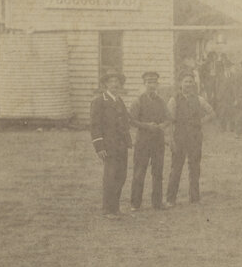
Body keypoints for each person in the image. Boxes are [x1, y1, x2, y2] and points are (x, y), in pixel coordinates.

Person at [166, 71, 216, 206]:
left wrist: (201, 122)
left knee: (194, 167)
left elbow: (212, 113)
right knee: (176, 168)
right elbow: (169, 121)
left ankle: (194, 198)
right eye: (185, 81)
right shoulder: (174, 100)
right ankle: (170, 199)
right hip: (179, 138)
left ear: (194, 84)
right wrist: (170, 139)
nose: (188, 84)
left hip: (195, 138)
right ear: (180, 84)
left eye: (190, 82)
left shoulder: (199, 99)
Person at [90, 69, 132, 216]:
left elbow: (126, 121)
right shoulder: (99, 101)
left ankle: (115, 208)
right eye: (111, 81)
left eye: (117, 82)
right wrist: (99, 146)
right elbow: (95, 125)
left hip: (121, 146)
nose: (115, 84)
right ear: (106, 84)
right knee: (110, 176)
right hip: (108, 146)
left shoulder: (119, 101)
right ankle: (108, 209)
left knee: (121, 176)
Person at [128, 71, 169, 211]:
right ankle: (135, 203)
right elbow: (131, 120)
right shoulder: (138, 100)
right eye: (149, 82)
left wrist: (162, 125)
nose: (152, 85)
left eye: (154, 82)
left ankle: (157, 203)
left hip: (158, 140)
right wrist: (147, 126)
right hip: (143, 141)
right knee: (139, 172)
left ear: (157, 84)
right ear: (144, 84)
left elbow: (168, 118)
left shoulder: (161, 101)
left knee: (158, 172)